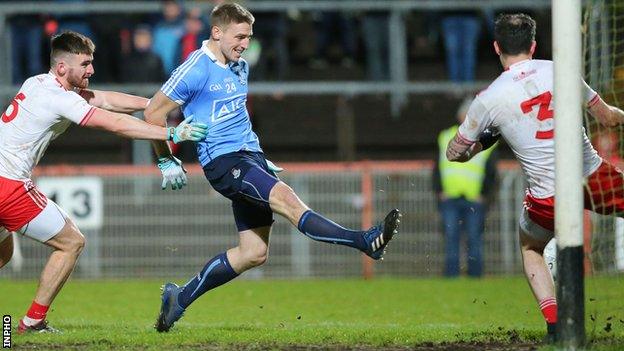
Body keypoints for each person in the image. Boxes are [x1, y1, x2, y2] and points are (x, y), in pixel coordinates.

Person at [143, 3, 401, 333]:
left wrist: (257, 155)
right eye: (239, 36)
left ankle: (179, 299)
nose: (245, 44)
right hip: (224, 162)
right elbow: (152, 113)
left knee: (253, 253)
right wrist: (166, 158)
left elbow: (235, 114)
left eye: (249, 36)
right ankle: (365, 241)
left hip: (249, 157)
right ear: (217, 32)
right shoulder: (196, 67)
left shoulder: (239, 66)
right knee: (289, 201)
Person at [0, 31, 208, 334]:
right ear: (62, 67)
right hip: (9, 187)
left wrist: (156, 106)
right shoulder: (58, 98)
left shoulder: (38, 83)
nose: (91, 70)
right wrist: (172, 134)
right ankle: (32, 322)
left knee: (3, 255)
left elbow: (106, 99)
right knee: (71, 242)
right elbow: (114, 122)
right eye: (85, 64)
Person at [445, 13, 624, 342]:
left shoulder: (488, 98)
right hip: (592, 176)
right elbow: (608, 118)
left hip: (547, 195)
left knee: (531, 247)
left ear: (497, 47)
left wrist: (486, 140)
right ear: (534, 45)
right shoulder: (560, 69)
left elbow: (455, 152)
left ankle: (555, 326)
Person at [433, 97, 497, 278]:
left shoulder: (486, 141)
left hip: (474, 199)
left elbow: (491, 172)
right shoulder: (446, 136)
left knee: (473, 239)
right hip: (451, 198)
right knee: (452, 237)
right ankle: (452, 275)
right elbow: (436, 168)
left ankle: (474, 275)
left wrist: (484, 194)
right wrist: (439, 191)